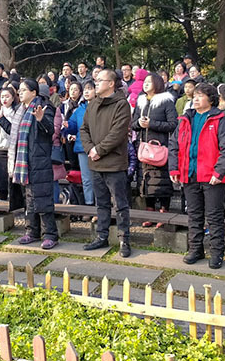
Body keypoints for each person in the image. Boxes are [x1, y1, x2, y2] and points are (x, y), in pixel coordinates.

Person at [169, 83, 225, 269]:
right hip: (189, 174)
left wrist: (219, 172)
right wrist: (174, 169)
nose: (196, 98)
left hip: (212, 176)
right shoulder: (186, 119)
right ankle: (195, 249)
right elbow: (174, 145)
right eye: (195, 96)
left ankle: (216, 253)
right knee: (194, 215)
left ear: (211, 99)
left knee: (214, 216)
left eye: (200, 95)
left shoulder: (220, 119)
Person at [80, 69, 132, 257]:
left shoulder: (121, 105)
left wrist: (99, 150)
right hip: (95, 162)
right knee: (101, 203)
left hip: (114, 163)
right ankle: (101, 236)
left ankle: (124, 239)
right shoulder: (93, 103)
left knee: (120, 204)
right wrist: (89, 149)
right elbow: (84, 129)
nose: (96, 83)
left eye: (100, 80)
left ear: (111, 83)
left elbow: (118, 133)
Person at [3, 79, 58, 249]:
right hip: (24, 162)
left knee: (43, 198)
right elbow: (15, 134)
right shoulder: (21, 110)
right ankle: (32, 232)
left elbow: (50, 131)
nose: (20, 93)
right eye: (19, 90)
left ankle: (50, 234)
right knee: (30, 199)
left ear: (34, 92)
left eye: (24, 90)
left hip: (39, 160)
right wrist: (0, 119)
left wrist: (41, 119)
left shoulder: (44, 107)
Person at [132, 73, 177, 227]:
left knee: (162, 182)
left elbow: (172, 124)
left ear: (157, 84)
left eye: (149, 82)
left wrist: (152, 124)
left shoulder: (166, 101)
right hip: (144, 147)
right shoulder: (141, 101)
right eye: (144, 82)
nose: (145, 84)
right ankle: (149, 213)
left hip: (161, 147)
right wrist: (139, 122)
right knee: (146, 180)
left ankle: (164, 213)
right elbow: (132, 124)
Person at [65, 80, 96, 208]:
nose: (87, 91)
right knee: (86, 179)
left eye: (90, 89)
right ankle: (89, 204)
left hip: (98, 148)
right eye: (86, 89)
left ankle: (100, 205)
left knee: (98, 178)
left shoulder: (101, 107)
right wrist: (68, 126)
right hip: (82, 147)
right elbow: (72, 126)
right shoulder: (79, 109)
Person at [0, 85, 19, 201]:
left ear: (13, 98)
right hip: (0, 147)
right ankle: (2, 199)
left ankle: (15, 200)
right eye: (2, 97)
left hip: (13, 147)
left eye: (7, 96)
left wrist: (4, 118)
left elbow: (13, 131)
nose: (4, 99)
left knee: (13, 175)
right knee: (1, 176)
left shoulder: (17, 112)